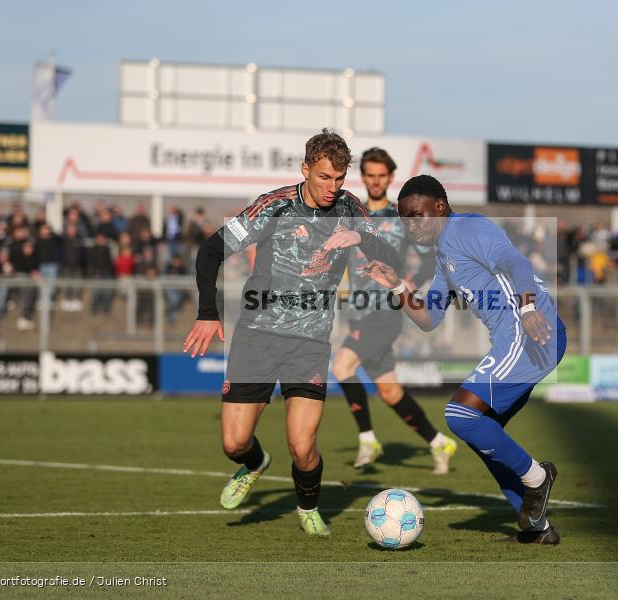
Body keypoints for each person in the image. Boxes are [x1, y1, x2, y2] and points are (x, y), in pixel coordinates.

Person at [182, 130, 400, 537]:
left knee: (303, 446)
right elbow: (210, 251)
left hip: (311, 343)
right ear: (305, 170)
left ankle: (308, 507)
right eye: (323, 178)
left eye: (339, 179)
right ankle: (256, 463)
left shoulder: (351, 208)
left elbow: (391, 256)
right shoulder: (275, 206)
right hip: (256, 337)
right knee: (234, 443)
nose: (332, 188)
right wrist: (207, 313)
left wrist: (362, 238)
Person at [359, 175, 567, 545]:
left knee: (460, 415)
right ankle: (537, 528)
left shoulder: (466, 228)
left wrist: (529, 307)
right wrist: (396, 286)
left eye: (417, 215)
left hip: (530, 331)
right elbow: (428, 319)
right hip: (522, 336)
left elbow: (516, 261)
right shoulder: (444, 256)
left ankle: (538, 478)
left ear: (439, 207)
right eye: (405, 219)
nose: (412, 225)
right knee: (481, 432)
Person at [331, 148, 456, 472]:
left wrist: (413, 280)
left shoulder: (402, 219)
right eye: (370, 174)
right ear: (364, 177)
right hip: (358, 311)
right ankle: (439, 443)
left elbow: (431, 253)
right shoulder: (351, 214)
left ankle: (367, 439)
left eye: (381, 175)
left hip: (386, 310)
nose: (375, 180)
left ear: (389, 177)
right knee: (390, 392)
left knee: (343, 365)